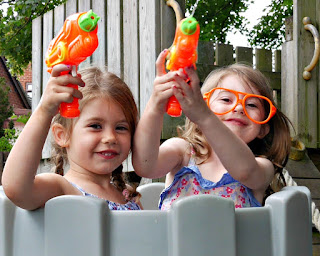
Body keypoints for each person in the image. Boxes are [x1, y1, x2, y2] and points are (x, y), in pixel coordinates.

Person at [132, 49, 291, 210]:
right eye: (226, 99)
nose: (238, 108)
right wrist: (156, 104)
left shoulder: (262, 167)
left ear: (263, 128)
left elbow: (244, 172)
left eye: (251, 105)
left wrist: (205, 118)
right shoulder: (183, 152)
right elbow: (145, 166)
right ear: (202, 105)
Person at [2, 65, 142, 211]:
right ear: (62, 135)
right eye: (95, 126)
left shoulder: (128, 195)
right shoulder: (60, 189)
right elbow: (16, 188)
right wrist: (44, 111)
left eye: (121, 128)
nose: (110, 137)